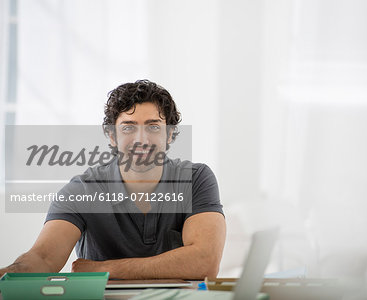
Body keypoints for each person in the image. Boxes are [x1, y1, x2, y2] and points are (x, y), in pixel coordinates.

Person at [0, 80, 226, 279]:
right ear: (112, 136)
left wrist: (104, 269)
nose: (141, 139)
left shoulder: (196, 179)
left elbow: (205, 262)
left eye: (153, 127)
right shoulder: (83, 190)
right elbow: (43, 258)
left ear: (169, 134)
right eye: (128, 127)